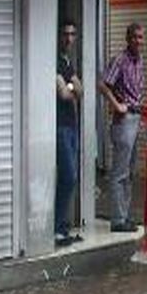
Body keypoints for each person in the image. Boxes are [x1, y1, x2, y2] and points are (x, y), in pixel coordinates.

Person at [99, 23, 147, 233]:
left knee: (129, 171)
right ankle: (117, 219)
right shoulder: (120, 60)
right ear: (128, 39)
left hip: (136, 117)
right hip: (124, 119)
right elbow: (103, 84)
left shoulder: (139, 60)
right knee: (119, 172)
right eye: (135, 37)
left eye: (141, 37)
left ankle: (125, 216)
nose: (139, 41)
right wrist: (117, 105)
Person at [55, 21, 84, 246]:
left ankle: (62, 228)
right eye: (65, 34)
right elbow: (65, 94)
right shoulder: (55, 61)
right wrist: (72, 87)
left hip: (72, 125)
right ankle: (58, 228)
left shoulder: (68, 62)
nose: (69, 38)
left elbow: (79, 90)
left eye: (73, 34)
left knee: (70, 177)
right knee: (68, 176)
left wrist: (71, 86)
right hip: (60, 126)